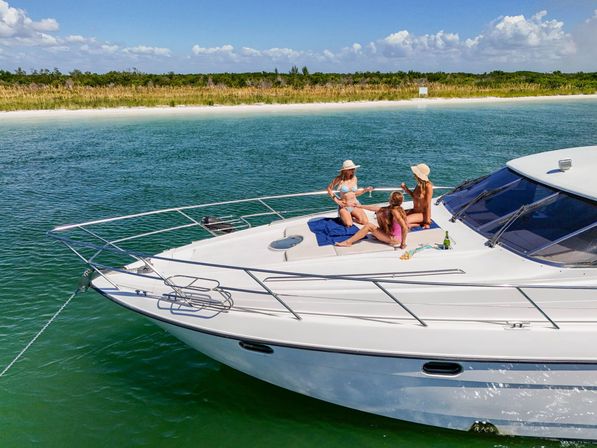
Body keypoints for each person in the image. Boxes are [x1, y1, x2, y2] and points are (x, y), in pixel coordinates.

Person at [335, 191, 408, 249]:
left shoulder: (395, 211)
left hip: (394, 239)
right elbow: (375, 208)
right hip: (393, 236)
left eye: (390, 198)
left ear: (391, 200)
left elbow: (404, 227)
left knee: (369, 226)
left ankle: (348, 242)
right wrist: (359, 206)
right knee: (379, 213)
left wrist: (403, 244)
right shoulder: (396, 208)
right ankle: (380, 236)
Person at [327, 160, 374, 227]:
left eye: (354, 169)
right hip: (344, 205)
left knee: (364, 222)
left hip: (355, 204)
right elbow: (329, 189)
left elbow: (354, 193)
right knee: (349, 224)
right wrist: (337, 201)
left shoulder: (354, 178)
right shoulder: (339, 179)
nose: (353, 170)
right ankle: (345, 215)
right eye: (351, 169)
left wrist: (365, 190)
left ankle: (350, 215)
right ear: (345, 170)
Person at [401, 163, 433, 229]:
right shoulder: (419, 185)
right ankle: (414, 223)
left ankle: (416, 225)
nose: (413, 174)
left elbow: (428, 205)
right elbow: (414, 197)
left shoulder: (428, 186)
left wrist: (427, 221)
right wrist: (406, 189)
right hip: (414, 211)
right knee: (396, 218)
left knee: (402, 222)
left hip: (422, 214)